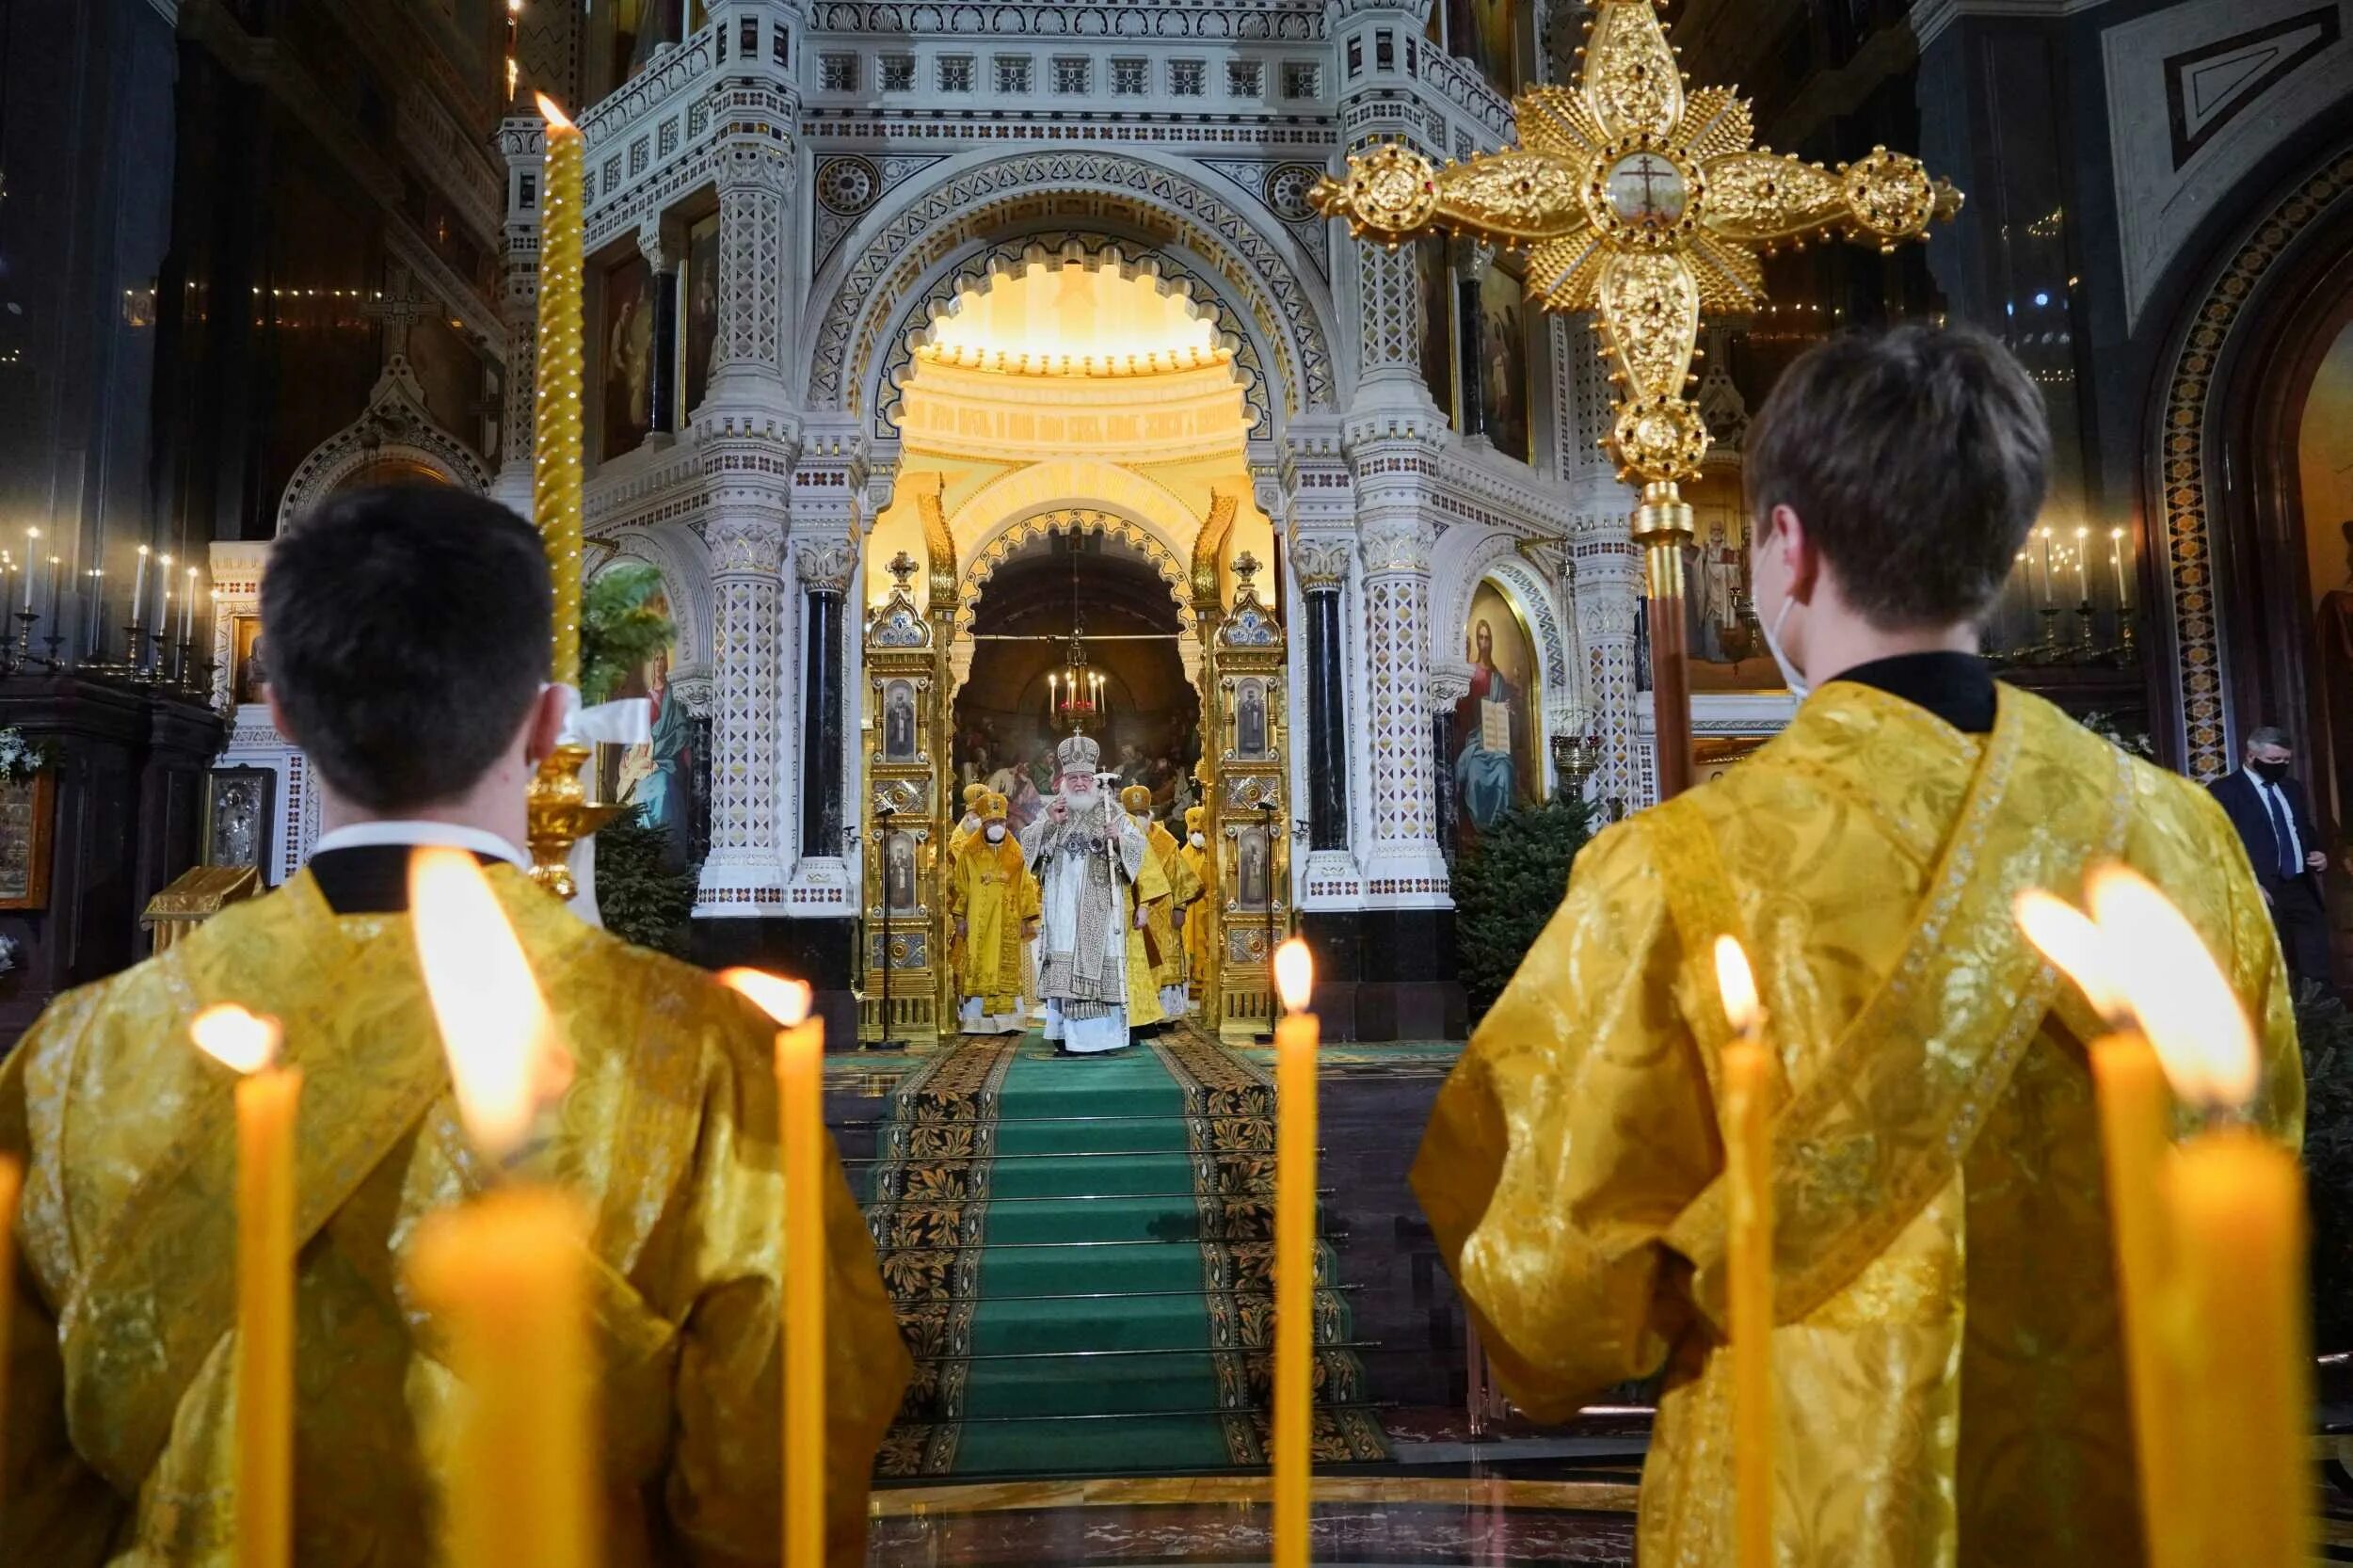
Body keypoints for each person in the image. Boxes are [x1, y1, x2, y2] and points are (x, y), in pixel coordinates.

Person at [1413, 326, 2301, 1568]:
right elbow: (2254, 1165)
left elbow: (1549, 1301)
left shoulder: (1675, 874)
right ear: (2001, 545)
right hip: (2132, 1498)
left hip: (1806, 1507)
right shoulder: (2185, 839)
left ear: (1785, 546)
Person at [0, 486, 912, 1567]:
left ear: (281, 711)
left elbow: (24, 1490)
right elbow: (780, 1474)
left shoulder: (76, 1059)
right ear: (545, 719)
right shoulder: (705, 1061)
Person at [1020, 734, 1168, 1054]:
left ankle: (1102, 1039)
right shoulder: (1054, 810)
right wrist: (1048, 824)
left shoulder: (1111, 811)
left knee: (1100, 967)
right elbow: (1029, 848)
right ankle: (1066, 1036)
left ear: (1094, 780)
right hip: (1063, 909)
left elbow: (1138, 850)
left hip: (1100, 906)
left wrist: (1120, 840)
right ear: (1063, 780)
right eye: (1072, 777)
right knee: (1065, 966)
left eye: (1084, 777)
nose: (1079, 783)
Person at [2209, 725, 2333, 991]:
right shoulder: (2224, 791)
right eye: (2274, 760)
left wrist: (2319, 853)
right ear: (2251, 756)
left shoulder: (2291, 788)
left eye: (2286, 760)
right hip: (2260, 890)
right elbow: (2216, 845)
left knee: (2316, 962)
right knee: (2273, 969)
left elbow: (2302, 827)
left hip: (2300, 886)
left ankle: (2325, 1024)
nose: (2281, 765)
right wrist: (2247, 882)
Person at [950, 790, 1039, 1034]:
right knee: (978, 965)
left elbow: (1025, 886)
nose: (997, 826)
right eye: (991, 822)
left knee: (1007, 969)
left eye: (1000, 821)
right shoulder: (969, 851)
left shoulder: (1015, 852)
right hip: (978, 924)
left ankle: (1008, 1022)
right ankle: (977, 1022)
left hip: (1007, 922)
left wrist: (1026, 918)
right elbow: (960, 887)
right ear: (984, 823)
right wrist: (959, 917)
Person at [1123, 785, 1202, 1023]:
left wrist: (1180, 907)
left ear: (1149, 817)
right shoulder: (1120, 839)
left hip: (1162, 913)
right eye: (1133, 817)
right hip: (1131, 912)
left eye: (1142, 817)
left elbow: (1181, 877)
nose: (1138, 822)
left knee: (1164, 963)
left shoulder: (1166, 843)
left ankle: (1164, 1014)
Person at [1180, 805, 1213, 996]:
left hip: (1207, 906)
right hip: (1190, 907)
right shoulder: (1183, 854)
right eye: (1193, 831)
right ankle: (1191, 977)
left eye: (1200, 831)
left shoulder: (1212, 854)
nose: (1196, 835)